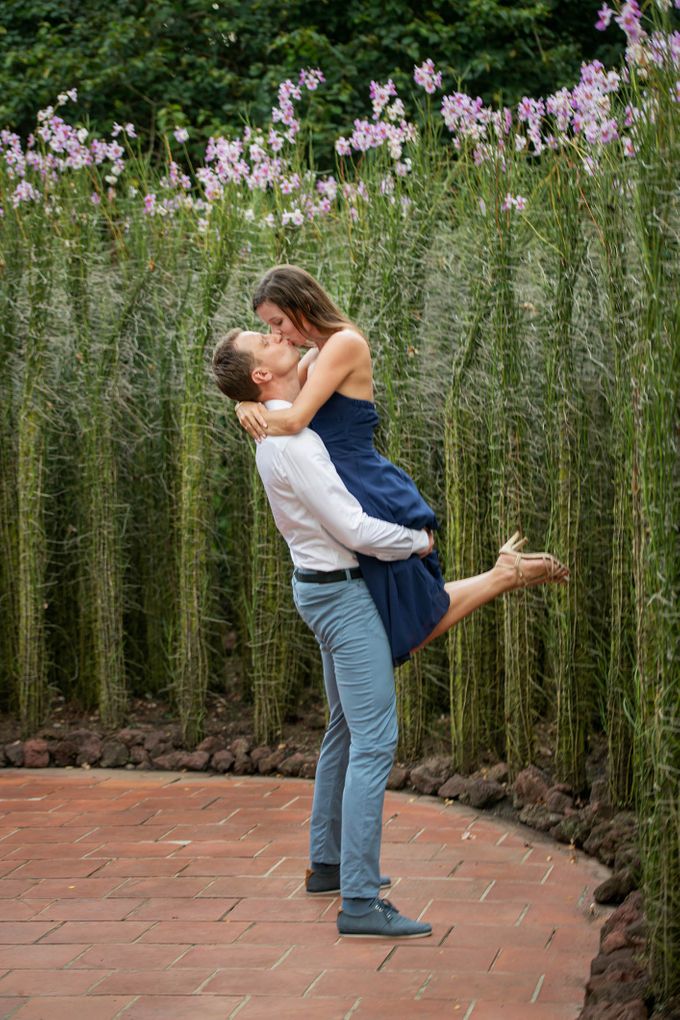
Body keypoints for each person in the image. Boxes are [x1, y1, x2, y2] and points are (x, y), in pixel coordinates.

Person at [212, 326, 434, 939]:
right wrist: (417, 541)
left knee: (344, 727)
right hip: (340, 593)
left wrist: (243, 399)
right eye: (266, 338)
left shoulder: (277, 424)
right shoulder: (295, 444)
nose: (279, 336)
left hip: (316, 587)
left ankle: (327, 866)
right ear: (262, 374)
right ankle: (360, 902)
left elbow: (323, 344)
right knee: (374, 740)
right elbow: (355, 529)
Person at [235, 265, 569, 665]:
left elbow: (293, 420)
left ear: (302, 303)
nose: (277, 334)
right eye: (269, 328)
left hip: (365, 487)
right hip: (342, 489)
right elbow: (281, 402)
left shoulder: (344, 344)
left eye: (278, 321)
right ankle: (503, 574)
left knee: (404, 623)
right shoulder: (312, 359)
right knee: (400, 624)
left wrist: (243, 408)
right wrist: (246, 398)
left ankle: (503, 576)